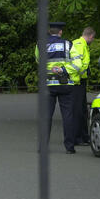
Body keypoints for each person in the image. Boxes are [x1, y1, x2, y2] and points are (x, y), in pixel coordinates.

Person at [35, 22, 82, 154]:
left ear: (50, 31)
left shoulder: (40, 44)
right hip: (65, 84)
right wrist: (63, 69)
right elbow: (78, 64)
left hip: (47, 85)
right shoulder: (68, 44)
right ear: (60, 32)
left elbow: (38, 61)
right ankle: (69, 147)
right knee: (68, 116)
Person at [70, 27, 96, 146]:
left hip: (80, 81)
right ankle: (77, 137)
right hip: (77, 81)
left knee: (82, 110)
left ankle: (84, 136)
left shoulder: (81, 44)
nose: (93, 40)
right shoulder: (80, 44)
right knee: (78, 111)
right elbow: (78, 64)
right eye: (93, 38)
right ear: (90, 36)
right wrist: (81, 74)